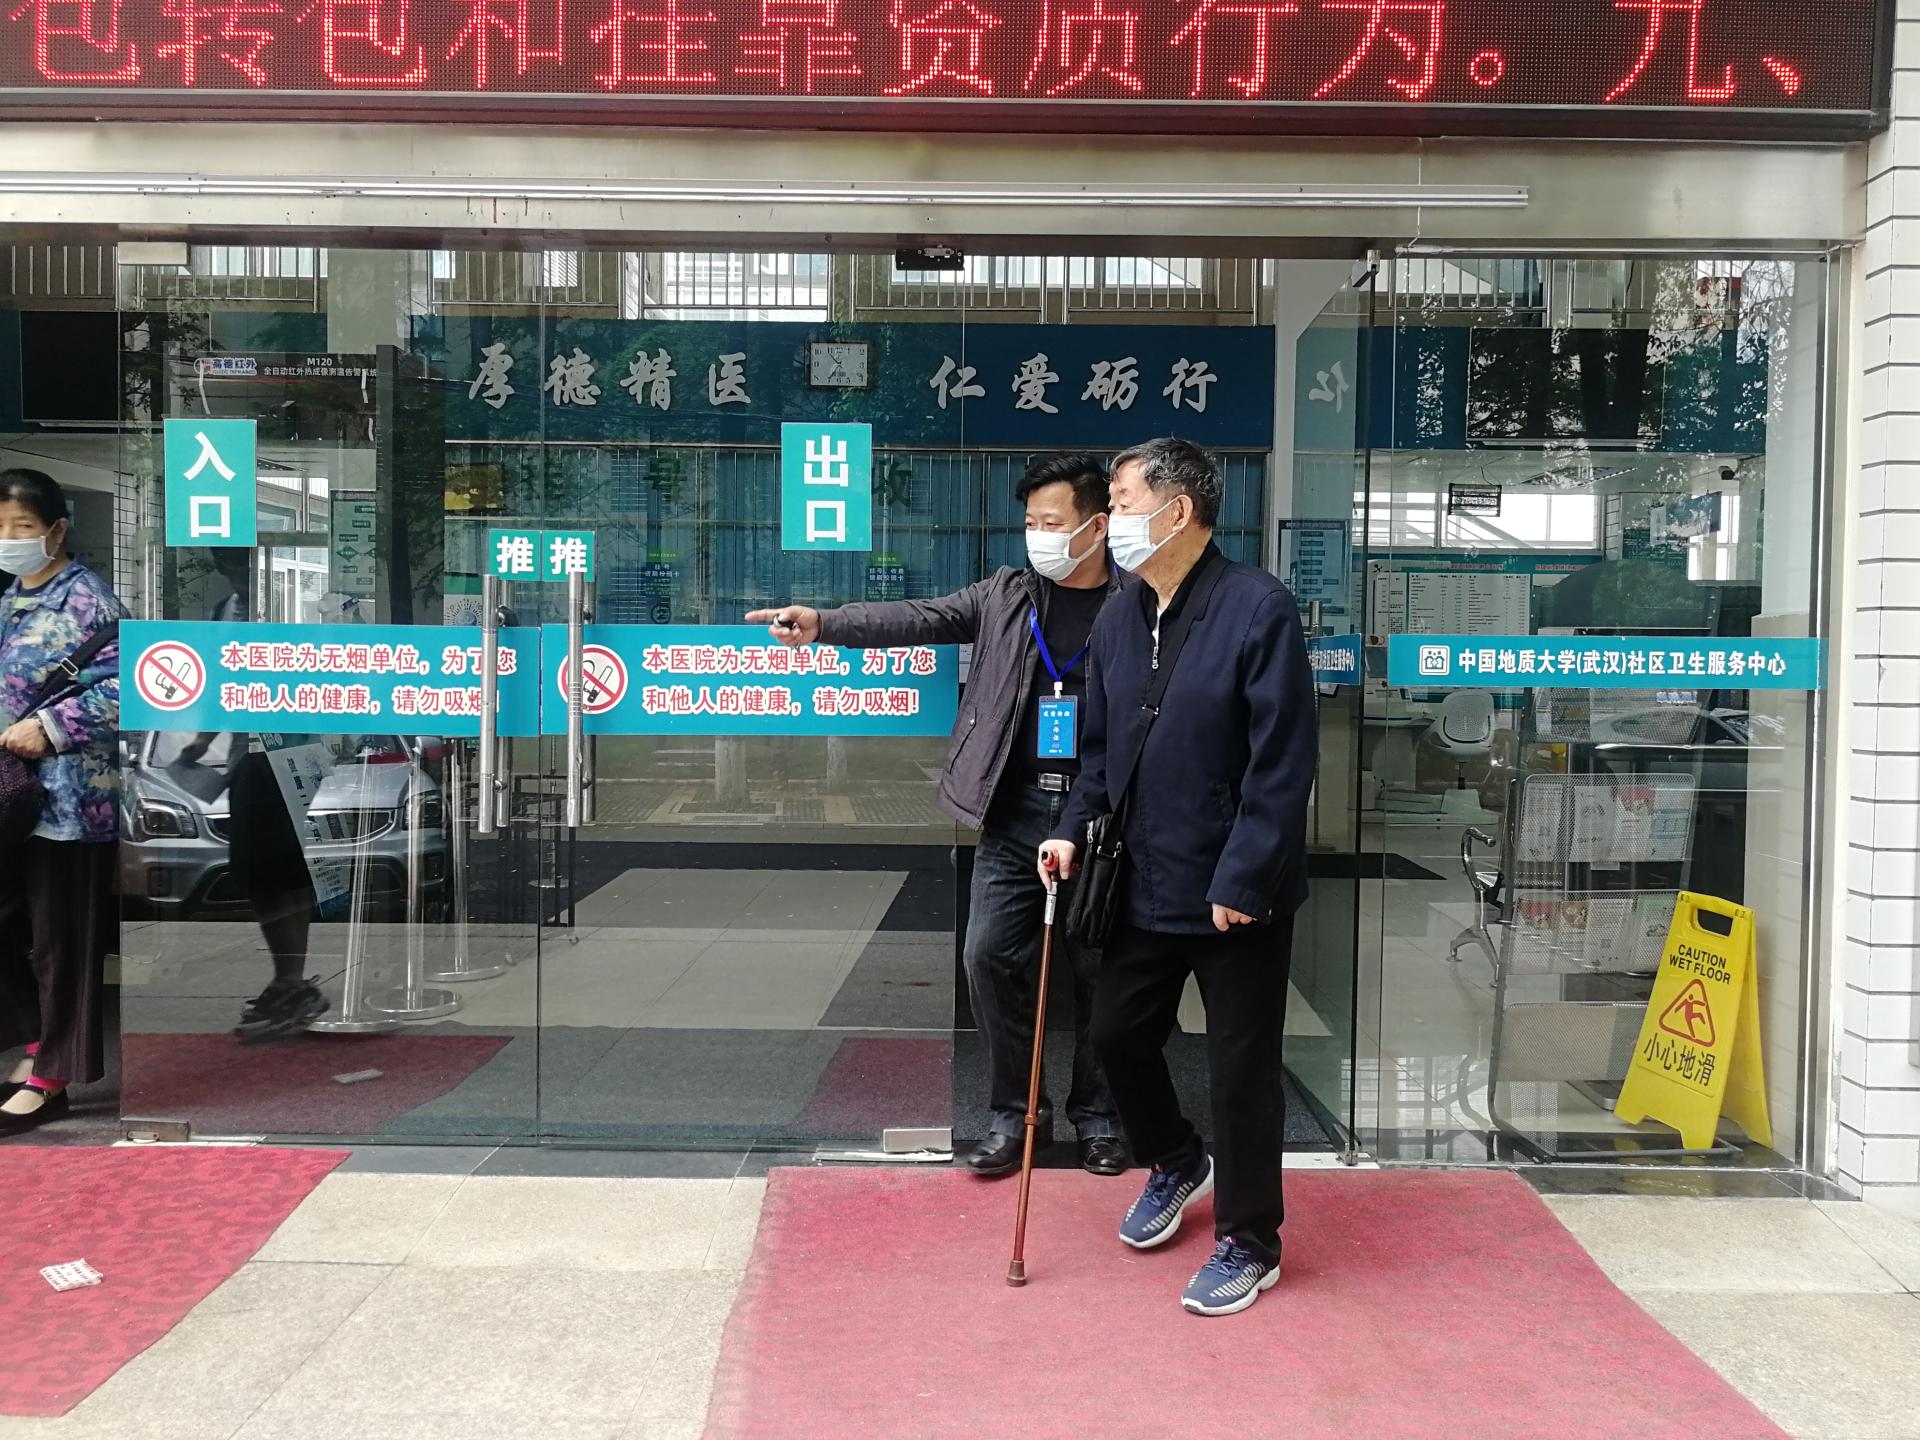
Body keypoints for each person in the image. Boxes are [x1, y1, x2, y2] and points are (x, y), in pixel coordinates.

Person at [748, 454, 1128, 1177]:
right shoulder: (1008, 594)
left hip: (1101, 819)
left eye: (1052, 522)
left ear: (1097, 526)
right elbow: (920, 616)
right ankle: (1017, 1113)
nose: (1038, 536)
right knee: (987, 956)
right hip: (1013, 811)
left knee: (1103, 974)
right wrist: (825, 622)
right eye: (1030, 522)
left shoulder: (1135, 604)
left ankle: (1100, 1117)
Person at [1038, 437, 1316, 1317]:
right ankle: (1175, 1158)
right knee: (1116, 1036)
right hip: (1141, 877)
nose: (1109, 520)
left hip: (1235, 892)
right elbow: (1098, 751)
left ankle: (1251, 1240)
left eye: (1120, 503)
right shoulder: (1121, 615)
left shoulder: (1258, 608)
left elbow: (1283, 762)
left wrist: (1246, 875)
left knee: (1240, 1069)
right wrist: (1071, 832)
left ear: (1178, 510)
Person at [0, 468, 128, 1137]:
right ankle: (32, 1046)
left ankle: (51, 1080)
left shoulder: (89, 601)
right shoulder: (9, 598)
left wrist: (50, 728)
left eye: (21, 527)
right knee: (12, 927)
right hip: (10, 798)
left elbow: (132, 686)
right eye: (0, 527)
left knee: (60, 941)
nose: (9, 539)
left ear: (56, 530)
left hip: (72, 802)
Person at [178, 547, 329, 1042]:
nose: (237, 573)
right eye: (228, 565)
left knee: (283, 873)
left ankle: (290, 981)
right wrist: (203, 740)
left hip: (292, 753)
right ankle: (288, 980)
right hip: (249, 756)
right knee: (262, 875)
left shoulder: (295, 608)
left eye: (241, 563)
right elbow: (223, 683)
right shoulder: (224, 612)